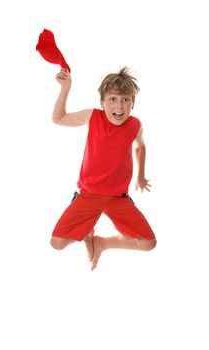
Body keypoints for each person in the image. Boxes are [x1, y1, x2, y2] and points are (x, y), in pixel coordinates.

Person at [50, 67, 157, 270]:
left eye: (126, 99)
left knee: (148, 243)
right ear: (103, 102)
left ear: (132, 104)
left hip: (118, 198)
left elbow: (140, 146)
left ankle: (102, 243)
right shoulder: (93, 116)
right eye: (113, 99)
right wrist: (65, 88)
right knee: (57, 243)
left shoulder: (135, 125)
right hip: (88, 195)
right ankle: (86, 233)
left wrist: (141, 176)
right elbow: (59, 118)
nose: (119, 106)